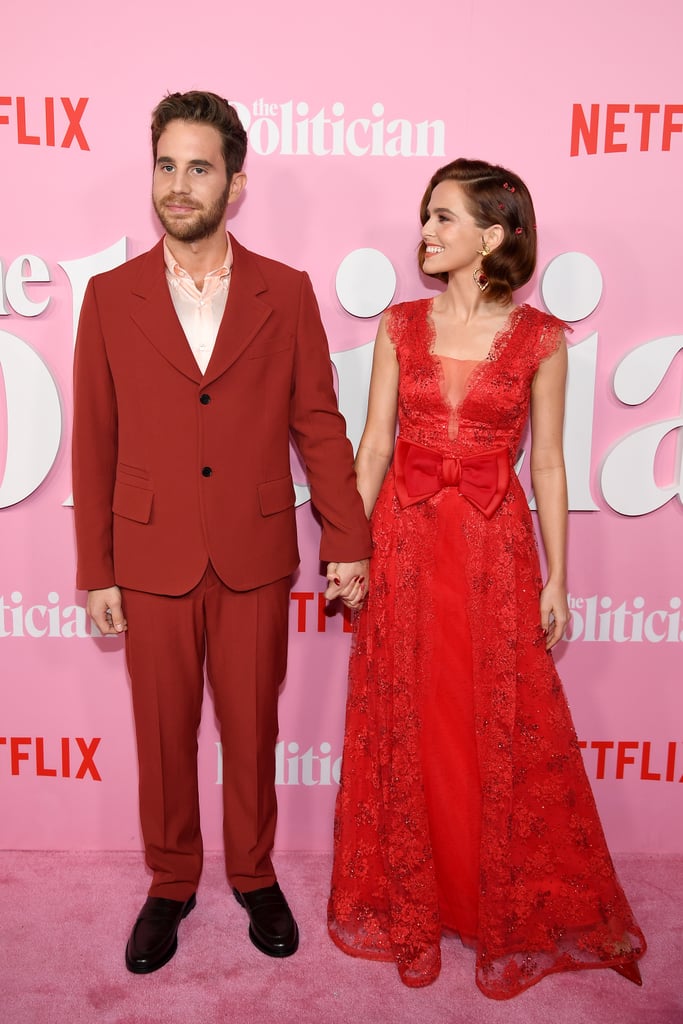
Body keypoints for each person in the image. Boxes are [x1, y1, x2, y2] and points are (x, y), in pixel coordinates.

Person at [327, 159, 646, 999]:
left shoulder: (542, 338)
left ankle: (485, 895)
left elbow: (545, 464)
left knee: (487, 720)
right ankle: (418, 894)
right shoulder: (398, 325)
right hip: (403, 541)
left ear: (493, 235)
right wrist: (348, 550)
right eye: (425, 218)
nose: (424, 232)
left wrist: (558, 580)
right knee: (414, 717)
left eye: (443, 219)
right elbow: (371, 449)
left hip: (493, 551)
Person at [72, 90, 370, 974]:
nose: (178, 184)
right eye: (166, 165)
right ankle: (170, 883)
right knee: (161, 737)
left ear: (234, 184)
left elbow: (317, 422)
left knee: (252, 730)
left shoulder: (288, 291)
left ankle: (252, 873)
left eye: (198, 167)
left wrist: (346, 540)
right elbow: (94, 440)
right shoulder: (109, 295)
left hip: (252, 551)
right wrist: (98, 569)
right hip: (151, 554)